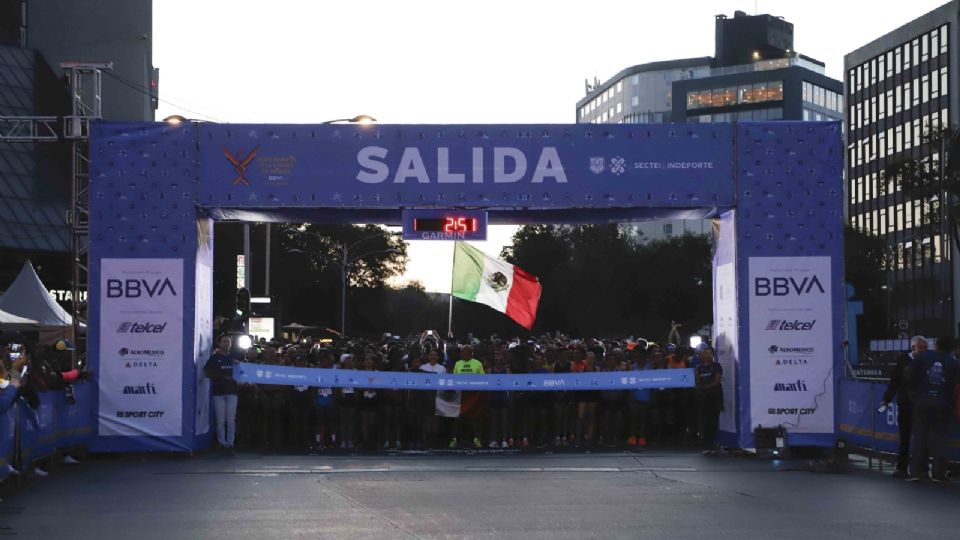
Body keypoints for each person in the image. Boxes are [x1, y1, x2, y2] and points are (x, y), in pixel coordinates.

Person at [906, 336, 959, 482]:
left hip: (922, 402)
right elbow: (955, 387)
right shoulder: (954, 363)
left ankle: (916, 472)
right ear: (951, 348)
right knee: (938, 440)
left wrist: (914, 395)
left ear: (936, 345)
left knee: (919, 438)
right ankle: (938, 473)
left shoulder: (923, 357)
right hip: (942, 404)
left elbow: (908, 375)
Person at [881, 335, 926, 477]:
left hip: (920, 404)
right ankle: (902, 467)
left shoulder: (925, 361)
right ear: (914, 347)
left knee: (922, 437)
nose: (924, 350)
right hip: (906, 403)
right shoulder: (903, 361)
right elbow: (894, 381)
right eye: (922, 347)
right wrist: (887, 399)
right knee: (905, 437)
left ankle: (922, 467)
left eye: (926, 348)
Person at [204, 335, 240, 453]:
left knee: (231, 420)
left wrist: (237, 368)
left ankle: (230, 444)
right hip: (218, 392)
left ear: (231, 344)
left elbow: (242, 373)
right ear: (220, 344)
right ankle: (221, 443)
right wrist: (220, 376)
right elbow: (207, 372)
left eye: (228, 342)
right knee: (220, 420)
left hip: (232, 392)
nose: (226, 344)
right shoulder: (214, 358)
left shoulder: (235, 357)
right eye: (224, 342)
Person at [451, 344, 485, 449]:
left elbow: (483, 379)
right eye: (461, 352)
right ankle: (455, 439)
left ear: (471, 353)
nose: (462, 354)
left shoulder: (478, 364)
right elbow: (454, 378)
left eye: (465, 352)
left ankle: (476, 439)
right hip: (460, 395)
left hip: (473, 395)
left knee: (473, 419)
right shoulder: (458, 363)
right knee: (458, 420)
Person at [694, 346, 723, 454]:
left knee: (713, 421)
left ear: (713, 355)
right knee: (704, 421)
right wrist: (699, 389)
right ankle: (706, 444)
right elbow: (697, 382)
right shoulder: (698, 368)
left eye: (710, 353)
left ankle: (712, 444)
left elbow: (717, 381)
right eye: (705, 353)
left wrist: (703, 388)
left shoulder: (717, 366)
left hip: (715, 397)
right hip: (703, 398)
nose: (708, 355)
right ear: (701, 355)